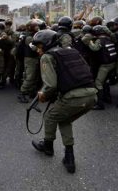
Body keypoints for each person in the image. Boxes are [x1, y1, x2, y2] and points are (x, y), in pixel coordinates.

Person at [31, 29, 97, 174]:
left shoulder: (47, 56)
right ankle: (69, 157)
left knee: (50, 116)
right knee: (64, 118)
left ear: (46, 44)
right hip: (92, 95)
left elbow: (50, 85)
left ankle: (48, 147)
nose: (37, 50)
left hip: (73, 97)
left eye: (39, 46)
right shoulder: (71, 51)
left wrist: (43, 94)